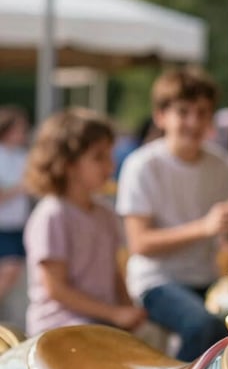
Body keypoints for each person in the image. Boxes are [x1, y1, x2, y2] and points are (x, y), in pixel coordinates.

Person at [116, 68, 228, 361]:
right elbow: (140, 243)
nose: (193, 122)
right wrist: (205, 227)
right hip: (157, 281)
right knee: (202, 326)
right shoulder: (142, 165)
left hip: (206, 277)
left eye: (202, 113)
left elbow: (227, 233)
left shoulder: (222, 165)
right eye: (183, 112)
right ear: (161, 116)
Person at [23, 108, 147, 336]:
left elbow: (113, 273)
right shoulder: (52, 215)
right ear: (68, 164)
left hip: (100, 322)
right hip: (59, 328)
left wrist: (127, 308)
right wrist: (113, 313)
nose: (110, 166)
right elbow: (56, 289)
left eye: (109, 155)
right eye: (99, 157)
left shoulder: (105, 213)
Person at [0, 106, 30, 302]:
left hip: (18, 224)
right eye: (20, 129)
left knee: (13, 271)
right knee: (10, 269)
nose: (23, 134)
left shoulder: (23, 156)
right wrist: (21, 188)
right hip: (3, 225)